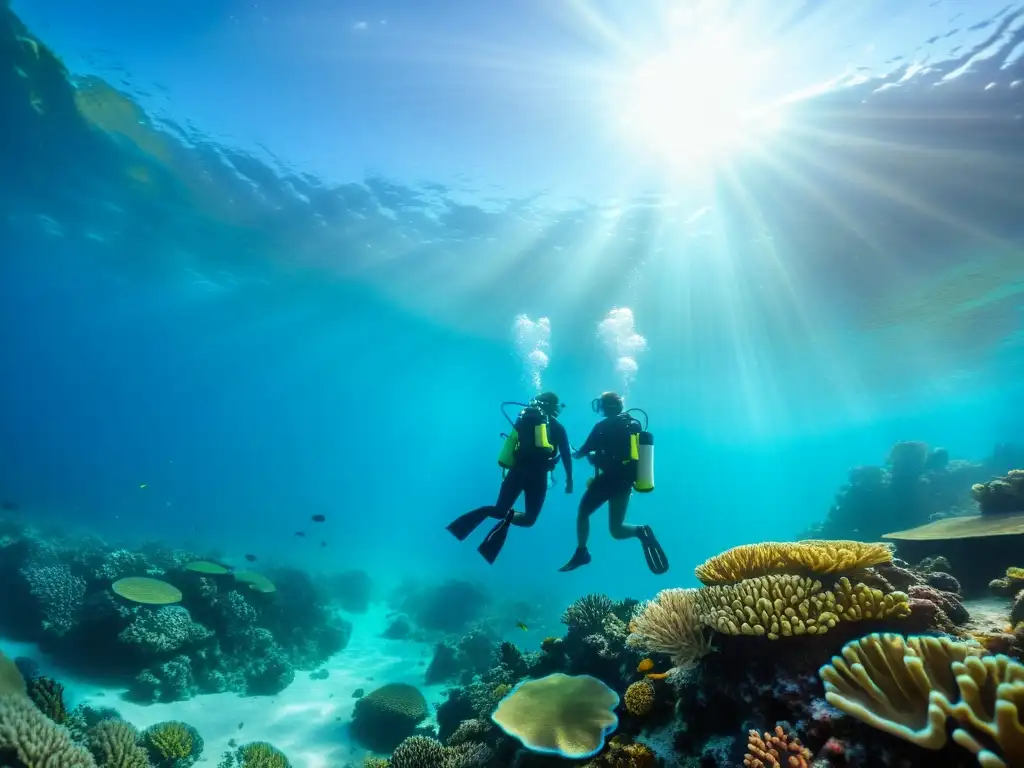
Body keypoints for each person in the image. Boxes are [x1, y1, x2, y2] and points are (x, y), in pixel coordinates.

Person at [446, 392, 574, 563]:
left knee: (499, 510)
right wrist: (569, 479)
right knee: (529, 519)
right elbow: (566, 454)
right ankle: (505, 521)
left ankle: (458, 528)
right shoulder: (558, 427)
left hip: (517, 471)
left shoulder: (524, 419)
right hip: (538, 475)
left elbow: (513, 444)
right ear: (554, 407)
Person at [558, 391, 667, 574]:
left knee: (583, 514)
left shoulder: (601, 426)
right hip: (625, 482)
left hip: (607, 480)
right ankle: (641, 531)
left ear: (606, 407)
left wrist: (573, 451)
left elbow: (581, 452)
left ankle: (581, 553)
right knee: (616, 530)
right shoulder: (634, 424)